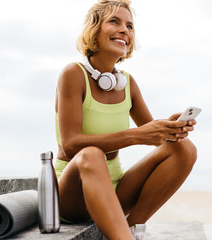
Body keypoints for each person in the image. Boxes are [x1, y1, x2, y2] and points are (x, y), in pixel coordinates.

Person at [54, 0, 197, 239]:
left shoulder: (128, 83)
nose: (125, 30)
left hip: (115, 191)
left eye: (130, 26)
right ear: (94, 29)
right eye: (114, 21)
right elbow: (70, 145)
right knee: (91, 153)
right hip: (71, 197)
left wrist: (168, 129)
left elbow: (154, 139)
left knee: (184, 149)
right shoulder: (73, 74)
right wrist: (137, 136)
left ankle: (134, 227)